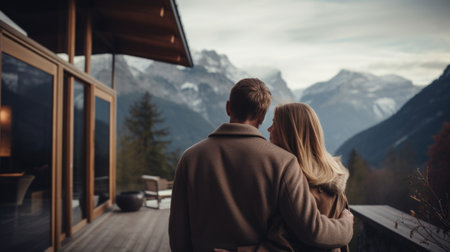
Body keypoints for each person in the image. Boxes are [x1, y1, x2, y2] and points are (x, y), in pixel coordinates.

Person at [169, 78, 353, 252]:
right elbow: (309, 230)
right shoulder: (284, 162)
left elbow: (178, 234)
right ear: (262, 116)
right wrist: (346, 224)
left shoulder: (190, 158)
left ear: (228, 108)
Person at [256, 102, 351, 251]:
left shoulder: (293, 185)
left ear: (289, 133)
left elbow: (283, 245)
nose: (268, 129)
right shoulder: (332, 178)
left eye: (274, 124)